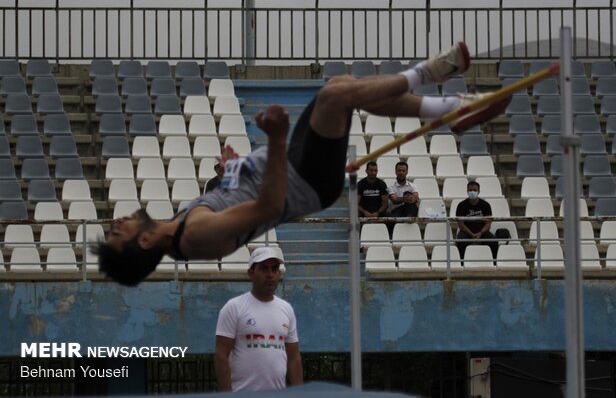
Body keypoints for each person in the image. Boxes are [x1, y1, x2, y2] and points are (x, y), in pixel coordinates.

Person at [95, 41, 507, 286]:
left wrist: (230, 171)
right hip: (305, 180)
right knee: (335, 97)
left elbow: (239, 200)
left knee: (340, 87)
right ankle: (433, 75)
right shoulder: (195, 235)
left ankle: (447, 110)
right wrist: (274, 140)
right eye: (119, 233)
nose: (120, 222)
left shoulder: (181, 225)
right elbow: (268, 209)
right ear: (144, 243)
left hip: (296, 169)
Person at [214, 247, 302, 392]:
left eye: (274, 269)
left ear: (279, 274)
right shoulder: (234, 307)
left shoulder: (286, 310)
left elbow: (294, 358)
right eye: (264, 269)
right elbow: (221, 355)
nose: (270, 275)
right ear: (251, 273)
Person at [455, 180, 498, 259]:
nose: (472, 192)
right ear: (467, 191)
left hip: (482, 231)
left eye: (474, 190)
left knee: (493, 241)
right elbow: (461, 224)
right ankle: (461, 263)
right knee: (461, 242)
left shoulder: (485, 205)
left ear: (479, 191)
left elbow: (488, 223)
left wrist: (480, 233)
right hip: (466, 232)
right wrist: (471, 234)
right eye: (470, 190)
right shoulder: (461, 205)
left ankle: (494, 262)